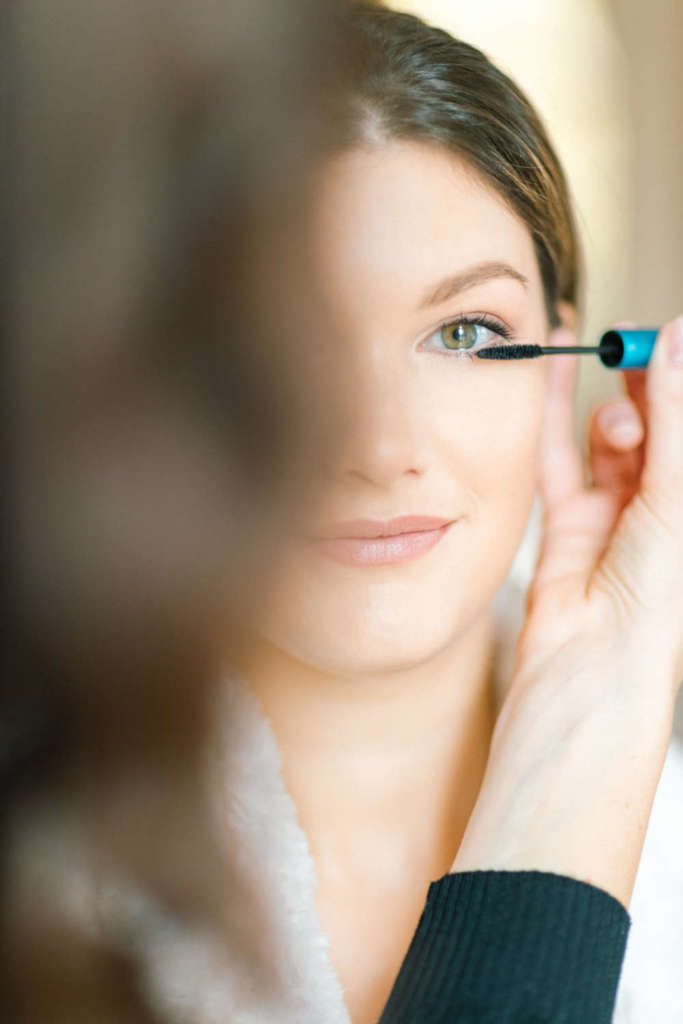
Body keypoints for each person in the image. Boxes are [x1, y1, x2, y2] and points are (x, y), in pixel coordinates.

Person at [6, 3, 682, 1024]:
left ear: (562, 352)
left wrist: (604, 702)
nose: (375, 449)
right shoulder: (39, 878)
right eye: (288, 335)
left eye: (463, 331)